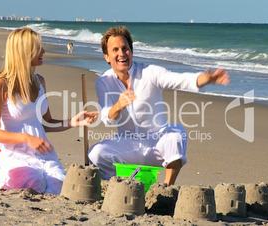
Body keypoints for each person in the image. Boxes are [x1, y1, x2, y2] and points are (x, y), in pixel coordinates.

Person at [89, 26, 230, 185]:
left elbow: (178, 79)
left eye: (125, 48)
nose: (121, 54)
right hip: (129, 144)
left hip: (158, 141)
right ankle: (118, 185)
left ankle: (166, 189)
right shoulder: (103, 82)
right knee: (96, 154)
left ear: (131, 51)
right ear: (107, 57)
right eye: (115, 50)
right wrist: (119, 105)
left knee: (176, 137)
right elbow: (108, 117)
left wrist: (205, 79)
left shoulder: (150, 72)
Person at [0, 28, 98, 194]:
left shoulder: (40, 82)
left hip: (43, 153)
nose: (43, 51)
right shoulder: (0, 85)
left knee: (60, 186)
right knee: (32, 182)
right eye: (38, 48)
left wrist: (73, 122)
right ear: (23, 52)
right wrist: (26, 138)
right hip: (12, 153)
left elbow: (46, 123)